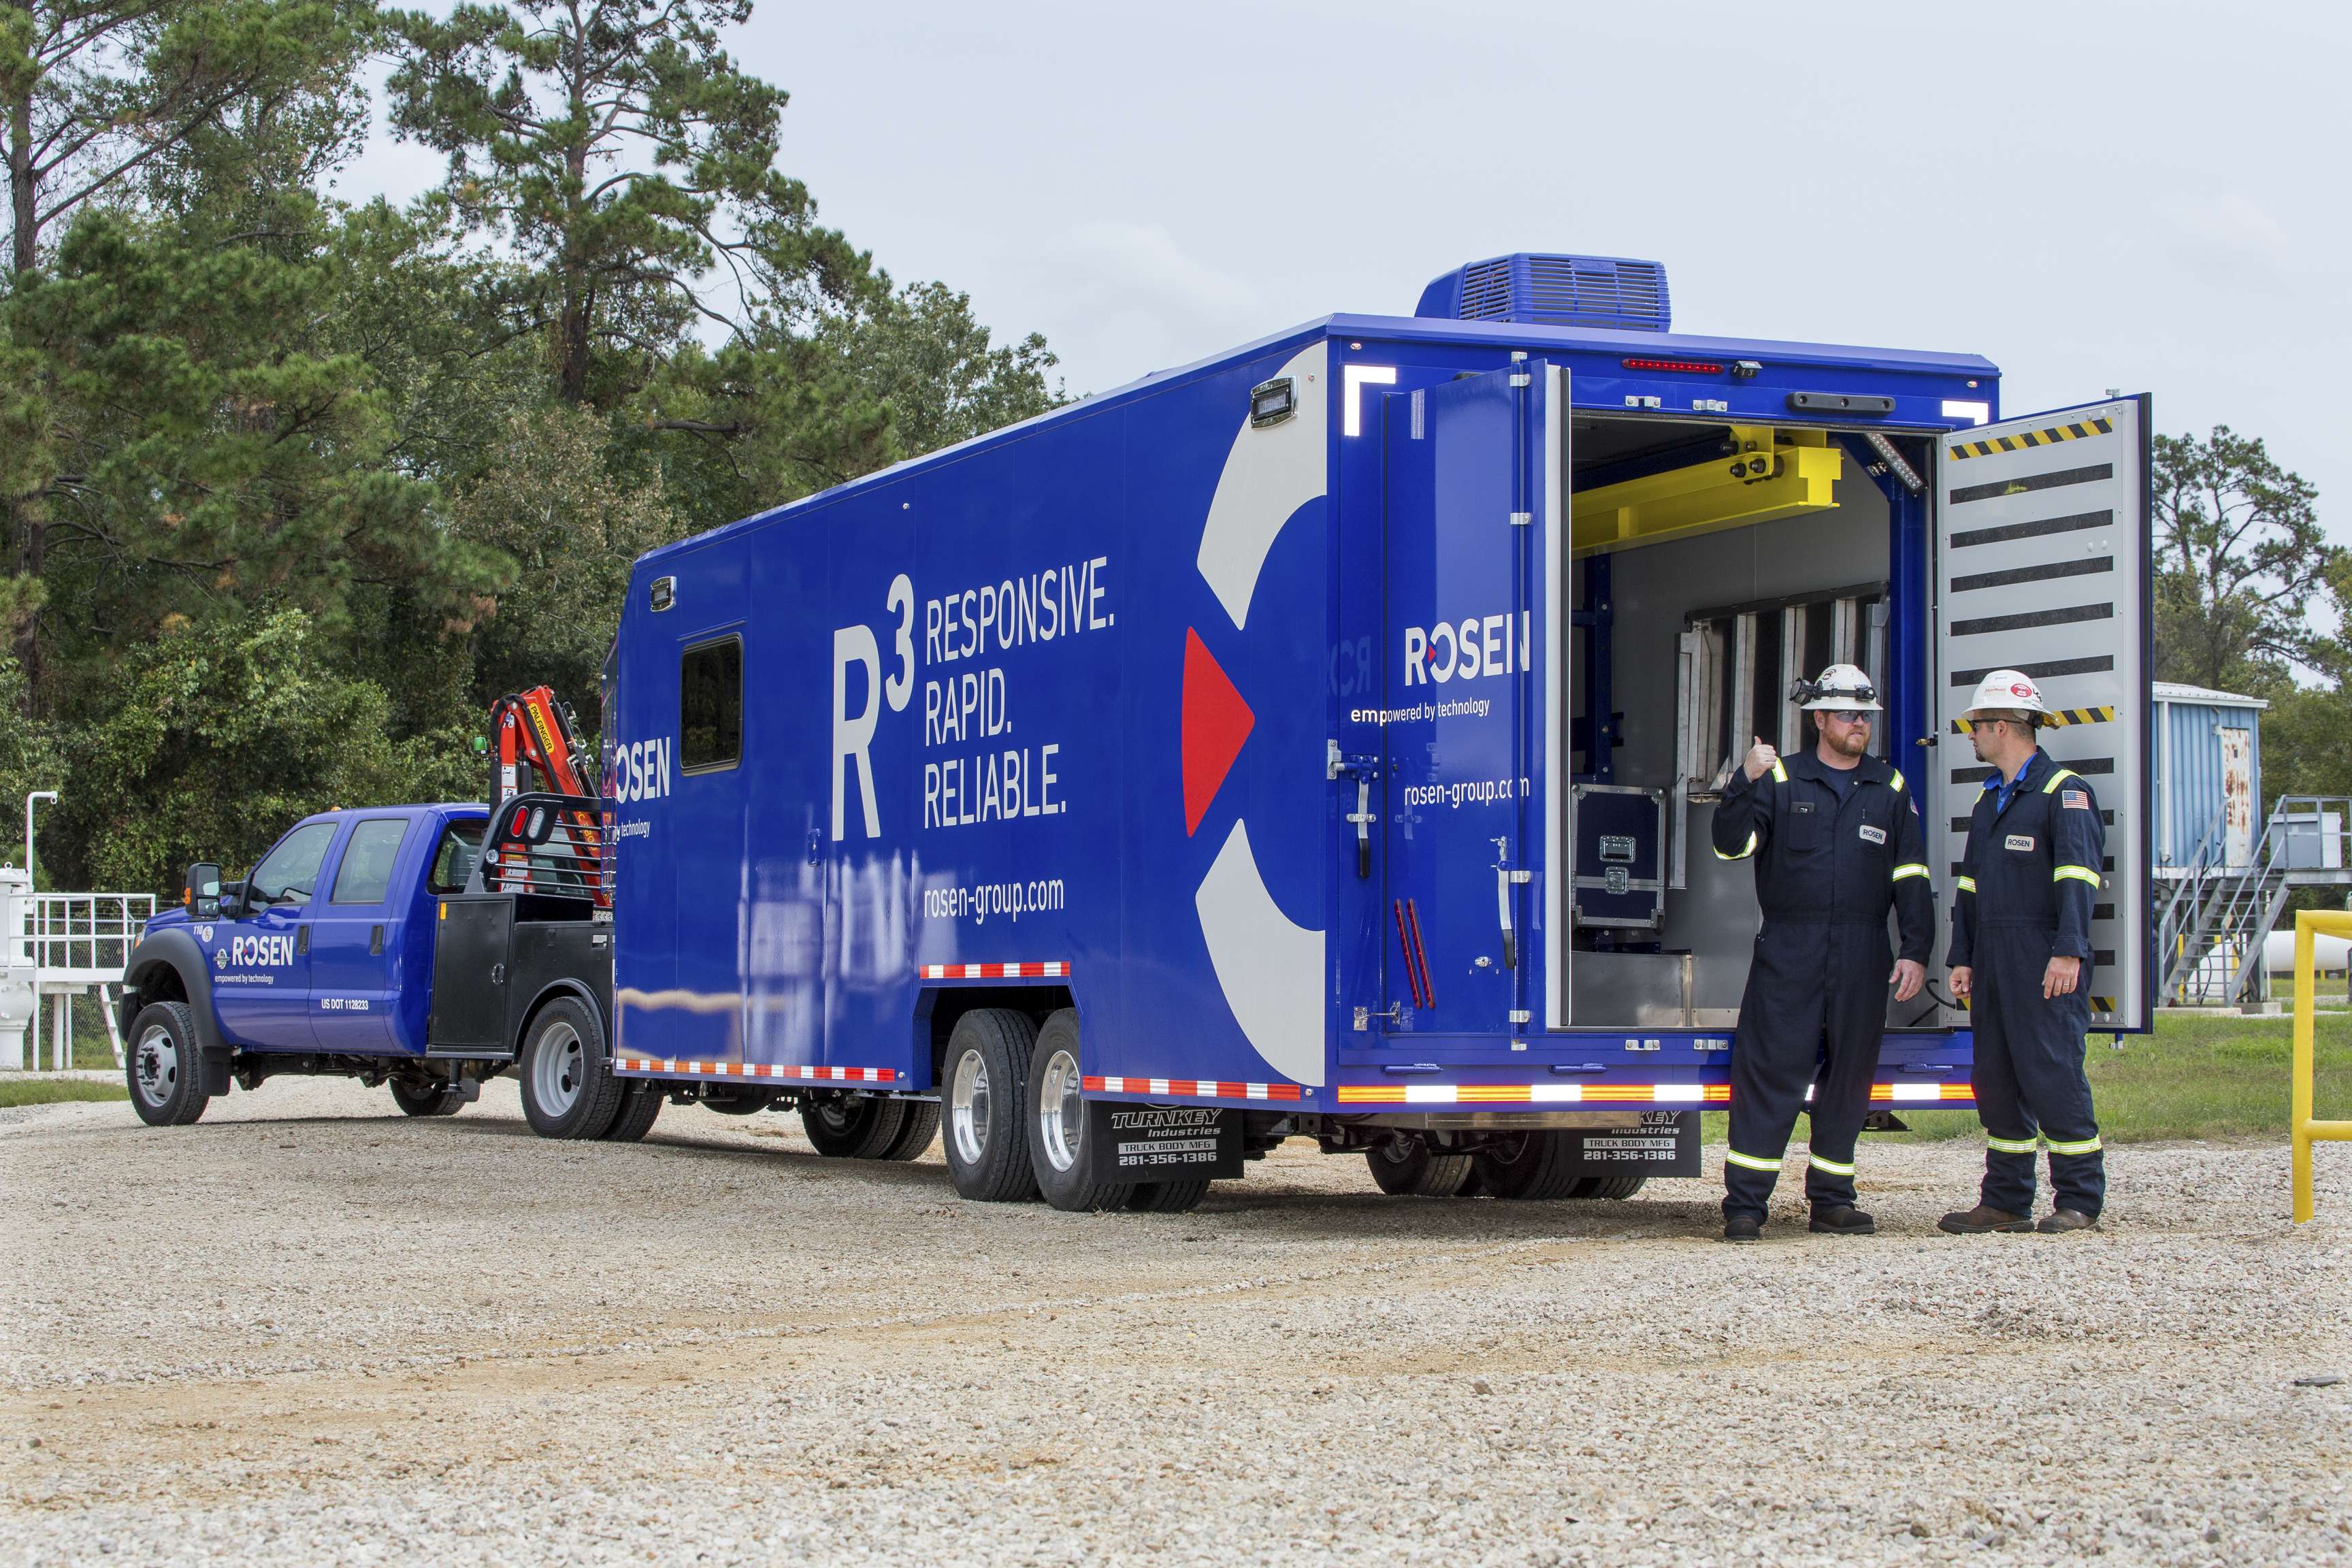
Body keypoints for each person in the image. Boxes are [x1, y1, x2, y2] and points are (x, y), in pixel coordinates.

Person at [1710, 664, 1932, 1243]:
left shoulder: (1889, 787)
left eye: (1865, 716)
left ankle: (1833, 1200)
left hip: (1864, 949)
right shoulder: (1781, 779)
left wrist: (1915, 949)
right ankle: (1746, 1206)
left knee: (1850, 1078)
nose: (1860, 724)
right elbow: (1731, 847)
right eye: (1848, 715)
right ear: (1819, 720)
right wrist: (1742, 781)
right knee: (1769, 1072)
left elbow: (1911, 875)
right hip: (1790, 946)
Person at [1938, 670, 2107, 1236]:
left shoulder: (2066, 793)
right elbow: (1971, 887)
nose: (1971, 736)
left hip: (2044, 962)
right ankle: (2006, 1201)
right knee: (1997, 1080)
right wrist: (1961, 957)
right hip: (1992, 963)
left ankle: (2079, 1200)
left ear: (2003, 726)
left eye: (1977, 726)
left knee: (2053, 1076)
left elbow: (2079, 879)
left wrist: (2069, 952)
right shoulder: (1989, 802)